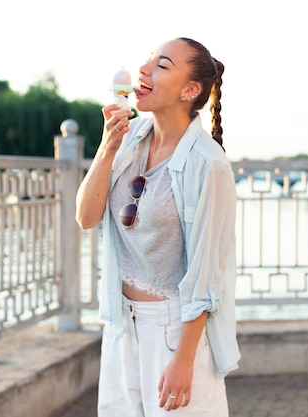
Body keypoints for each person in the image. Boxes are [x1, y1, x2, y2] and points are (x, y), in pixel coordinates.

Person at [75, 37, 240, 416]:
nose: (144, 69)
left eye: (162, 65)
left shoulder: (208, 164)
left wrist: (184, 362)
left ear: (190, 90)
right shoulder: (130, 138)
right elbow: (86, 217)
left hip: (175, 332)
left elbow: (206, 275)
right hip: (121, 323)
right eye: (148, 60)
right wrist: (107, 147)